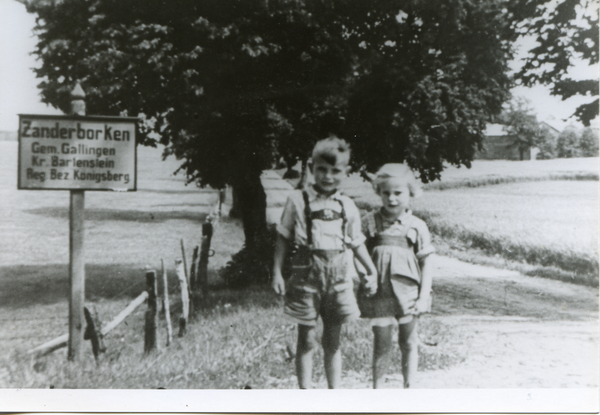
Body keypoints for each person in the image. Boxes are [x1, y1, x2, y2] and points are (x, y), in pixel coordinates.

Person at [271, 136, 378, 389]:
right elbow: (283, 239)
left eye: (335, 171)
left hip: (339, 279)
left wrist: (370, 269)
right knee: (306, 338)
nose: (327, 176)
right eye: (321, 169)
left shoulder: (347, 205)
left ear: (345, 172)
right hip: (306, 277)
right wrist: (276, 272)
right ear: (311, 168)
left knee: (333, 340)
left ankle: (333, 394)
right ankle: (305, 393)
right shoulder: (297, 200)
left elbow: (356, 242)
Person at [357, 163, 435, 389]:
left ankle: (409, 390)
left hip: (408, 294)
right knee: (381, 344)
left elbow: (427, 263)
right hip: (380, 294)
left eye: (398, 193)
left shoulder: (417, 226)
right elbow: (357, 252)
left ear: (410, 192)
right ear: (378, 193)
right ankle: (378, 392)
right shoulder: (370, 222)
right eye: (386, 193)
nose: (391, 198)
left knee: (408, 342)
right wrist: (364, 275)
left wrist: (423, 297)